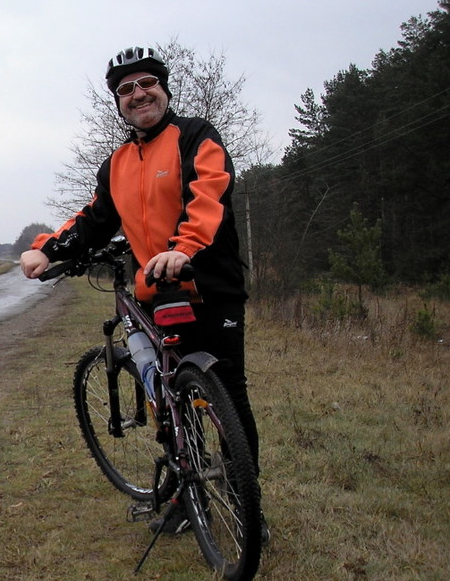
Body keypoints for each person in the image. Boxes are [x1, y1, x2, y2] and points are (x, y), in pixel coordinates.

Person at [20, 46, 267, 543]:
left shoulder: (195, 136)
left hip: (210, 287)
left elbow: (209, 194)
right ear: (119, 103)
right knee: (167, 395)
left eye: (146, 83)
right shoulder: (116, 164)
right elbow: (94, 219)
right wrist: (47, 249)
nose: (138, 94)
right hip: (156, 296)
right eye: (126, 89)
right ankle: (186, 496)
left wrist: (183, 248)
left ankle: (246, 502)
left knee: (227, 394)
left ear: (164, 89)